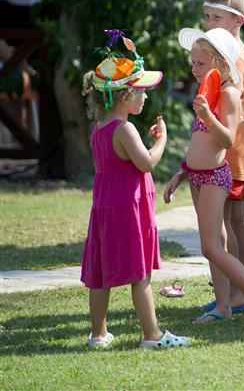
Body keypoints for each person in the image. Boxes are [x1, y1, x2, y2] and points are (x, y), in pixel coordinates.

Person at [79, 32, 190, 350]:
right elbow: (147, 163)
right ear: (125, 95)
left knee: (100, 272)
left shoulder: (99, 128)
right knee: (140, 274)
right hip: (127, 210)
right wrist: (162, 140)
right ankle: (152, 336)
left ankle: (98, 334)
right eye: (141, 91)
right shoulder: (125, 130)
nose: (145, 97)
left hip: (105, 206)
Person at [165, 27, 244, 325]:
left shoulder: (229, 93)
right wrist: (182, 172)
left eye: (200, 63)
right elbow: (199, 141)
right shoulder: (208, 90)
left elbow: (227, 138)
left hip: (214, 178)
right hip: (196, 176)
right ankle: (222, 306)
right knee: (213, 246)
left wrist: (207, 116)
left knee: (211, 247)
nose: (194, 69)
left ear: (220, 61)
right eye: (192, 62)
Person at [170, 0, 244, 320]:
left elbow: (229, 117)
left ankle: (240, 294)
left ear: (238, 20)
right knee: (224, 223)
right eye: (207, 16)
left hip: (233, 151)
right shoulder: (215, 56)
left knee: (232, 222)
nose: (209, 24)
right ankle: (230, 293)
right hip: (222, 151)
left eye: (217, 17)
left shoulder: (234, 61)